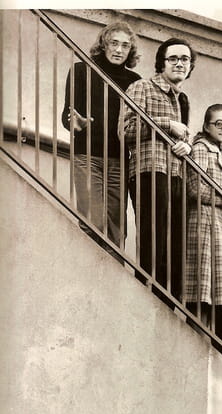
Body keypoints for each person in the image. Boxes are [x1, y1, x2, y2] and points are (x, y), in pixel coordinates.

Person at [121, 37, 195, 298]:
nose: (179, 63)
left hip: (177, 175)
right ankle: (146, 300)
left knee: (175, 249)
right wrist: (167, 124)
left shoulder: (182, 99)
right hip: (149, 170)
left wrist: (187, 146)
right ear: (162, 63)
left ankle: (168, 308)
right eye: (173, 58)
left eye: (185, 59)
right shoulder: (142, 87)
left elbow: (184, 136)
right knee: (154, 243)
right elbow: (126, 130)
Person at [62, 21, 141, 248]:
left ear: (130, 50)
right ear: (103, 44)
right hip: (87, 156)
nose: (119, 50)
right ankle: (90, 269)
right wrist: (74, 122)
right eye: (114, 43)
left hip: (119, 161)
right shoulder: (81, 70)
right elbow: (67, 114)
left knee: (117, 230)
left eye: (125, 45)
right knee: (93, 222)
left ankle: (112, 270)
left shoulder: (135, 81)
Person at [183, 104, 222, 337]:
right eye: (219, 123)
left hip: (214, 222)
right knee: (201, 290)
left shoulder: (216, 150)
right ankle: (195, 338)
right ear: (206, 126)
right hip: (202, 222)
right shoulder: (202, 148)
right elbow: (195, 187)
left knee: (211, 291)